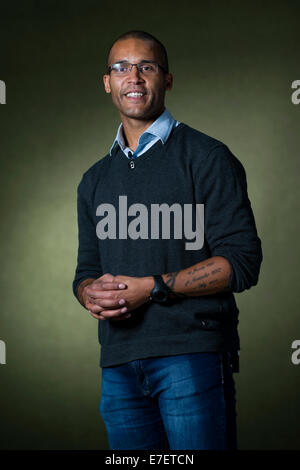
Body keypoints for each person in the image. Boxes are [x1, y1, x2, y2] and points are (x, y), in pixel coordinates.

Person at [72, 30, 263, 450]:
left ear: (167, 80)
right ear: (108, 82)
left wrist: (153, 288)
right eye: (122, 68)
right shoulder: (94, 181)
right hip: (118, 363)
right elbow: (86, 271)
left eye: (147, 67)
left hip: (190, 356)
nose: (134, 77)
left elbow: (243, 261)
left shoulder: (207, 157)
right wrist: (89, 293)